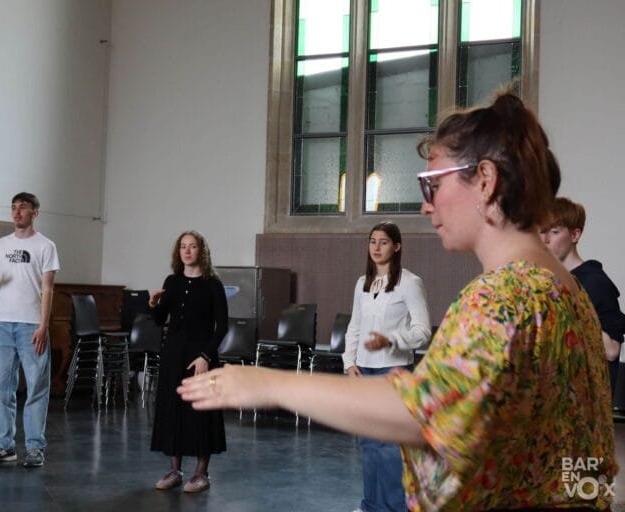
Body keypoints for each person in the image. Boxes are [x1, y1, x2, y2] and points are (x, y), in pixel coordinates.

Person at [178, 92, 616, 510]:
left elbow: (425, 414)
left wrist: (269, 384)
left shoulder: (506, 293)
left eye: (431, 185)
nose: (427, 207)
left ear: (484, 180)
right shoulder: (563, 287)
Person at [343, 221, 431, 512]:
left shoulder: (409, 282)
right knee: (368, 445)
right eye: (372, 241)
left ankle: (395, 508)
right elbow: (355, 326)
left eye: (383, 242)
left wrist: (390, 340)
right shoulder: (362, 283)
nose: (376, 247)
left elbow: (422, 331)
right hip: (364, 371)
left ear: (397, 246)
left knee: (391, 448)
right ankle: (370, 506)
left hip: (393, 371)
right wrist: (349, 362)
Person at [0, 192, 59, 468]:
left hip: (31, 325)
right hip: (3, 324)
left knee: (36, 387)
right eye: (13, 208)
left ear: (35, 212)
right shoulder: (1, 244)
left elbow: (48, 288)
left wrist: (43, 325)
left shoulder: (46, 246)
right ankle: (4, 445)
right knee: (1, 387)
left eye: (22, 208)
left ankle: (35, 447)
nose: (16, 212)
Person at [149, 230, 228, 494]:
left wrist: (205, 356)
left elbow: (222, 326)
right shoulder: (171, 281)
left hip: (201, 355)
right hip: (174, 354)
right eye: (183, 246)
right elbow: (161, 320)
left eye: (192, 246)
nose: (187, 251)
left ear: (201, 251)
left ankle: (201, 473)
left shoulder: (212, 284)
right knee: (173, 409)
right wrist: (153, 304)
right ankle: (175, 470)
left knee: (201, 412)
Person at [541, 197, 625, 395]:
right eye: (542, 231)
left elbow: (612, 351)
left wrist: (577, 307)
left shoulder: (594, 281)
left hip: (586, 401)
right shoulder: (549, 280)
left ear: (575, 234)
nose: (546, 240)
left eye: (554, 232)